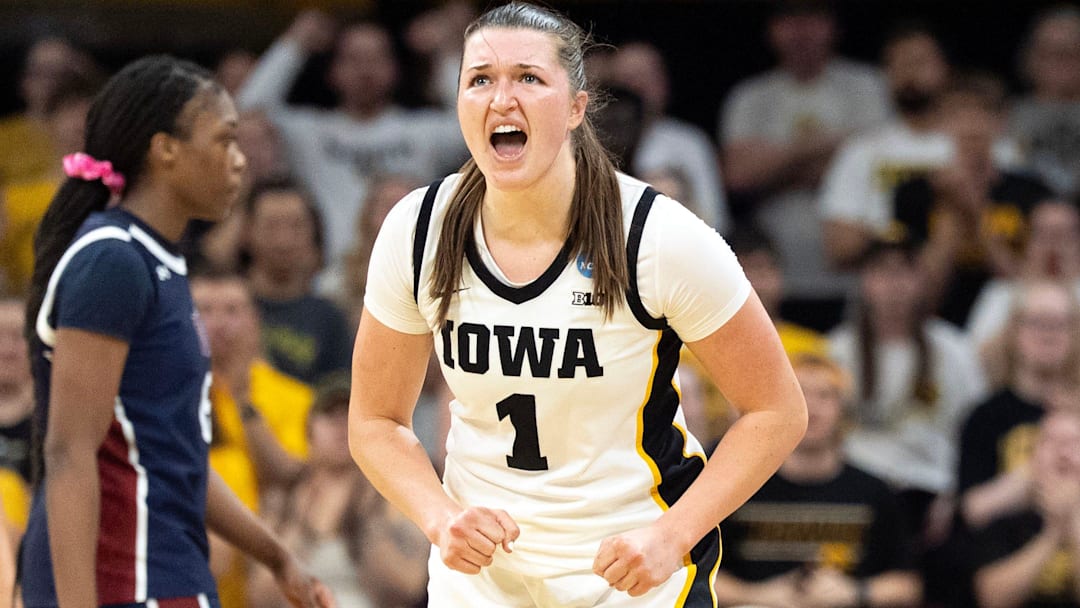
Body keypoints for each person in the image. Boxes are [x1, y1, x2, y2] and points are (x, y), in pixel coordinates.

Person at [348, 4, 807, 607]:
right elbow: (376, 422)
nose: (500, 98)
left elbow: (776, 411)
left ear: (575, 107)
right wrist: (438, 516)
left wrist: (673, 536)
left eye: (528, 78)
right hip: (482, 581)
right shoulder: (418, 230)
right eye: (479, 79)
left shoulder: (657, 236)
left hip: (631, 573)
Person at [18, 55, 331, 608]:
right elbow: (70, 453)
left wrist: (277, 556)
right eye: (224, 140)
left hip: (164, 564)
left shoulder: (159, 259)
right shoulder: (113, 259)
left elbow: (173, 453)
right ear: (166, 150)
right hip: (119, 572)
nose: (239, 162)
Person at [719, 0, 890, 331]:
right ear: (772, 31)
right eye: (789, 19)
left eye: (813, 17)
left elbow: (877, 166)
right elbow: (739, 175)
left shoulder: (868, 86)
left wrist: (777, 165)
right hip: (774, 279)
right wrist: (830, 147)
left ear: (834, 27)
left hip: (854, 278)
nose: (801, 30)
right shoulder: (750, 97)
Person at [715, 353, 921, 608]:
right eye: (800, 393)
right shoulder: (738, 486)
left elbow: (907, 585)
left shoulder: (875, 492)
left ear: (843, 411)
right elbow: (695, 577)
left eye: (825, 395)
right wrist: (759, 595)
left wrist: (855, 592)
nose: (811, 406)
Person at [970, 409, 1080, 608]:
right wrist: (1054, 531)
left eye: (1074, 444)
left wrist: (1074, 521)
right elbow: (993, 599)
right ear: (1033, 456)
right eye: (1053, 443)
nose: (1063, 454)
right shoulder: (1005, 518)